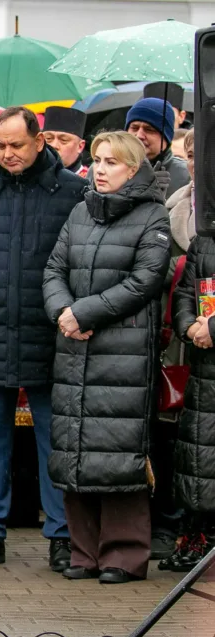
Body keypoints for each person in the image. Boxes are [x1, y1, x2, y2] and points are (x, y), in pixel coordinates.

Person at [0, 107, 85, 571]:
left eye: (16, 145)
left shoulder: (72, 191)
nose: (7, 154)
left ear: (38, 141)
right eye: (0, 146)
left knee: (56, 444)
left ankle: (62, 536)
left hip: (52, 335)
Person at [43, 130, 170, 583]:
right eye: (96, 160)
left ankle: (123, 555)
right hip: (75, 345)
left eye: (111, 162)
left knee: (118, 453)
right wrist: (62, 310)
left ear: (132, 170)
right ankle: (84, 553)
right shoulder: (80, 211)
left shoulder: (152, 215)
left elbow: (145, 280)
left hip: (123, 353)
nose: (99, 168)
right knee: (75, 448)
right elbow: (55, 268)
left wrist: (84, 311)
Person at [171, 155, 215, 573]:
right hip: (205, 369)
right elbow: (186, 291)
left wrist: (213, 327)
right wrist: (189, 327)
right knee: (201, 461)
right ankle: (197, 541)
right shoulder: (206, 238)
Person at [156, 128, 196, 567]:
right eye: (191, 153)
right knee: (172, 435)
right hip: (177, 334)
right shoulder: (172, 204)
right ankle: (173, 525)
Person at [125, 97, 189, 199]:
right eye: (134, 128)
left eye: (149, 129)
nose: (139, 135)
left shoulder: (187, 174)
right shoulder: (102, 168)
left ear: (166, 137)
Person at [43, 106, 89, 178]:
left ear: (80, 146)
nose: (54, 145)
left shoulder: (90, 182)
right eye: (49, 138)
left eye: (63, 140)